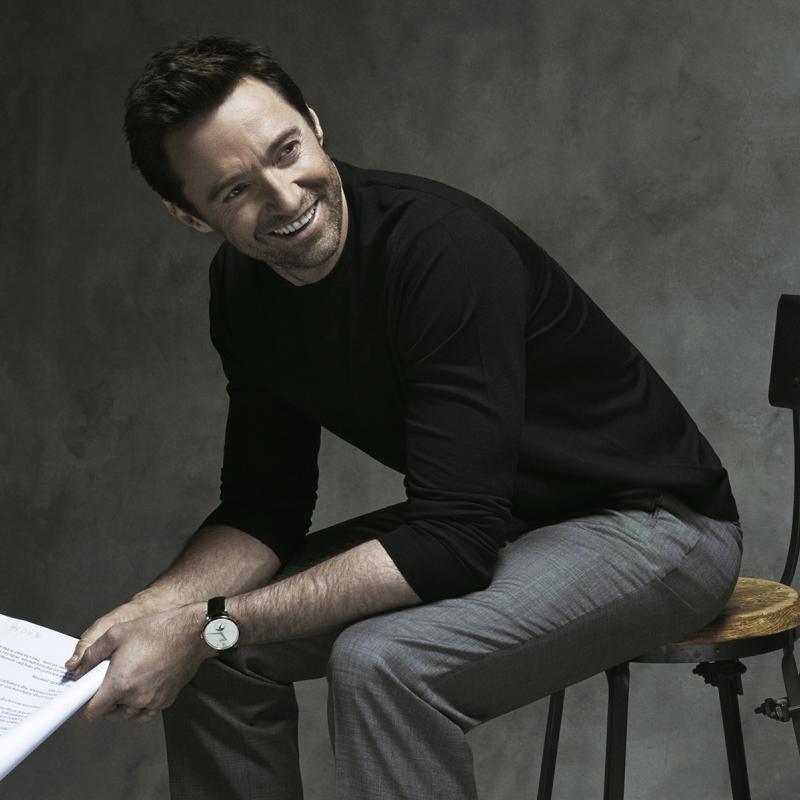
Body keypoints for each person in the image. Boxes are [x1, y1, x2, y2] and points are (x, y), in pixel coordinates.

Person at [65, 35, 743, 800]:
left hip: (656, 526)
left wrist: (206, 621)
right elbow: (263, 507)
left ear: (314, 123)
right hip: (506, 518)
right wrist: (152, 612)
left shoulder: (441, 251)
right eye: (235, 190)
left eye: (287, 151)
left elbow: (453, 545)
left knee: (379, 662)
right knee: (208, 657)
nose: (284, 197)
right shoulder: (243, 291)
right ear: (190, 214)